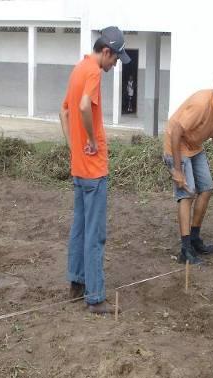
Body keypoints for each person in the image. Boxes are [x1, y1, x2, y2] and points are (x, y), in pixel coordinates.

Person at [59, 26, 130, 315]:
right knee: (95, 234)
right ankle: (95, 296)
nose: (115, 64)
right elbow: (85, 106)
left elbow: (64, 111)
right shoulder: (93, 73)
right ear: (106, 52)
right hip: (93, 170)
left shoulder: (79, 68)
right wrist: (89, 140)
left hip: (79, 167)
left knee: (79, 228)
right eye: (115, 59)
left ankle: (76, 283)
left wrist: (73, 148)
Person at [163, 73, 213, 264]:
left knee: (206, 189)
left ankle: (194, 238)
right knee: (187, 193)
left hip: (195, 146)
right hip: (176, 144)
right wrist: (177, 170)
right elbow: (176, 131)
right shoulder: (201, 104)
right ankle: (185, 250)